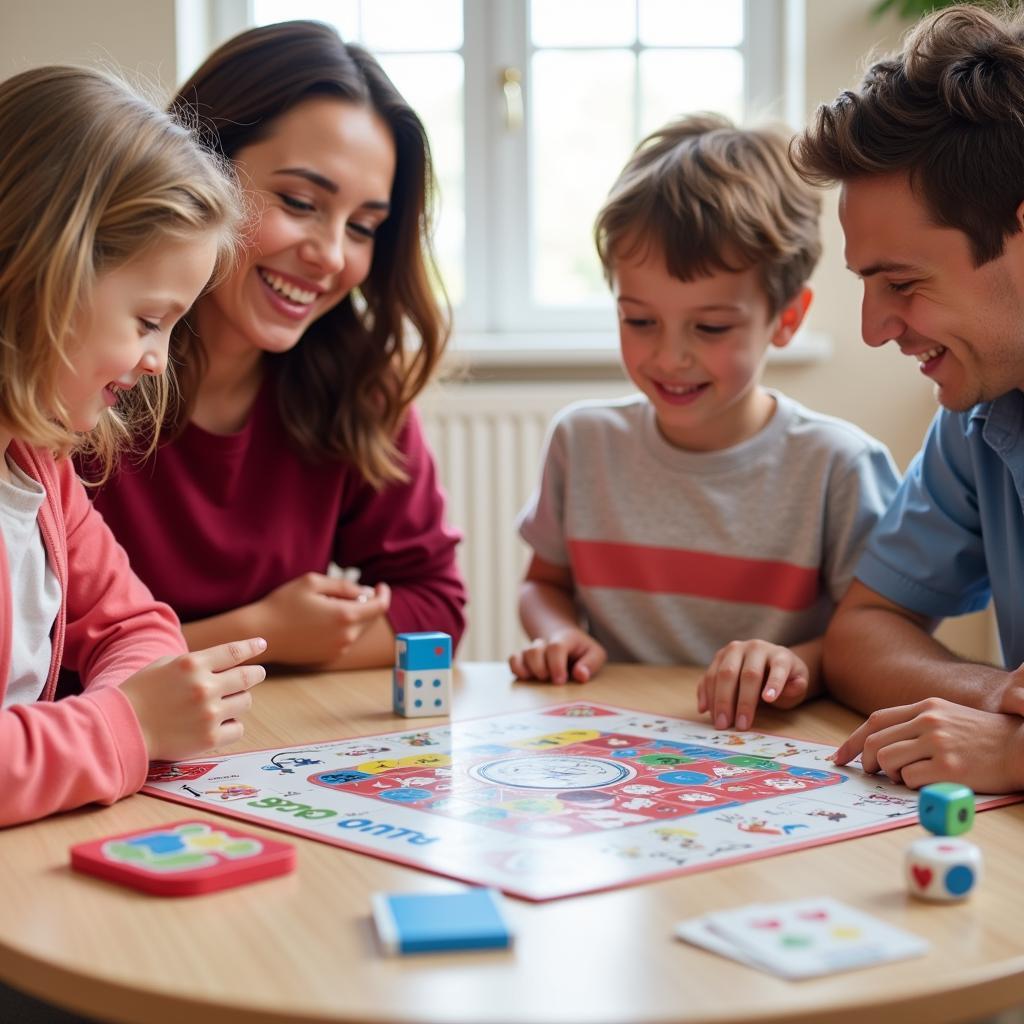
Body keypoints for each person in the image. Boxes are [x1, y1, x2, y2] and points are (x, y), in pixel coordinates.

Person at [87, 21, 466, 670]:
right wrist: (264, 634)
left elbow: (435, 609)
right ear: (200, 169)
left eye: (365, 228)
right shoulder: (81, 373)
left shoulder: (356, 383)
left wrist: (284, 644)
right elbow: (39, 665)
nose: (331, 257)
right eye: (299, 201)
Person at [509, 114, 900, 732]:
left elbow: (880, 633)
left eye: (711, 327)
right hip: (616, 739)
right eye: (639, 320)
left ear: (787, 318)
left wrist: (795, 664)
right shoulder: (581, 442)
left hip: (774, 746)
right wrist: (558, 633)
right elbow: (542, 584)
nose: (669, 357)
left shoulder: (838, 465)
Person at [0, 65, 266, 827]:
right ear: (41, 272)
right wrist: (129, 725)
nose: (158, 359)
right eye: (149, 320)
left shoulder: (37, 464)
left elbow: (136, 625)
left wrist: (137, 702)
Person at [792, 4, 1024, 793]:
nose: (873, 328)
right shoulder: (978, 415)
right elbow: (862, 635)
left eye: (902, 282)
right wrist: (996, 697)